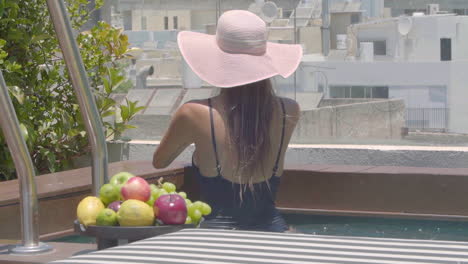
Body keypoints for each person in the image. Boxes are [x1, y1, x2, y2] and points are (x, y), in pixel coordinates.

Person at [153, 10, 302, 232]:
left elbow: (160, 161)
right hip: (275, 233)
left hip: (217, 240)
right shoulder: (288, 110)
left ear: (217, 60)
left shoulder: (194, 113)